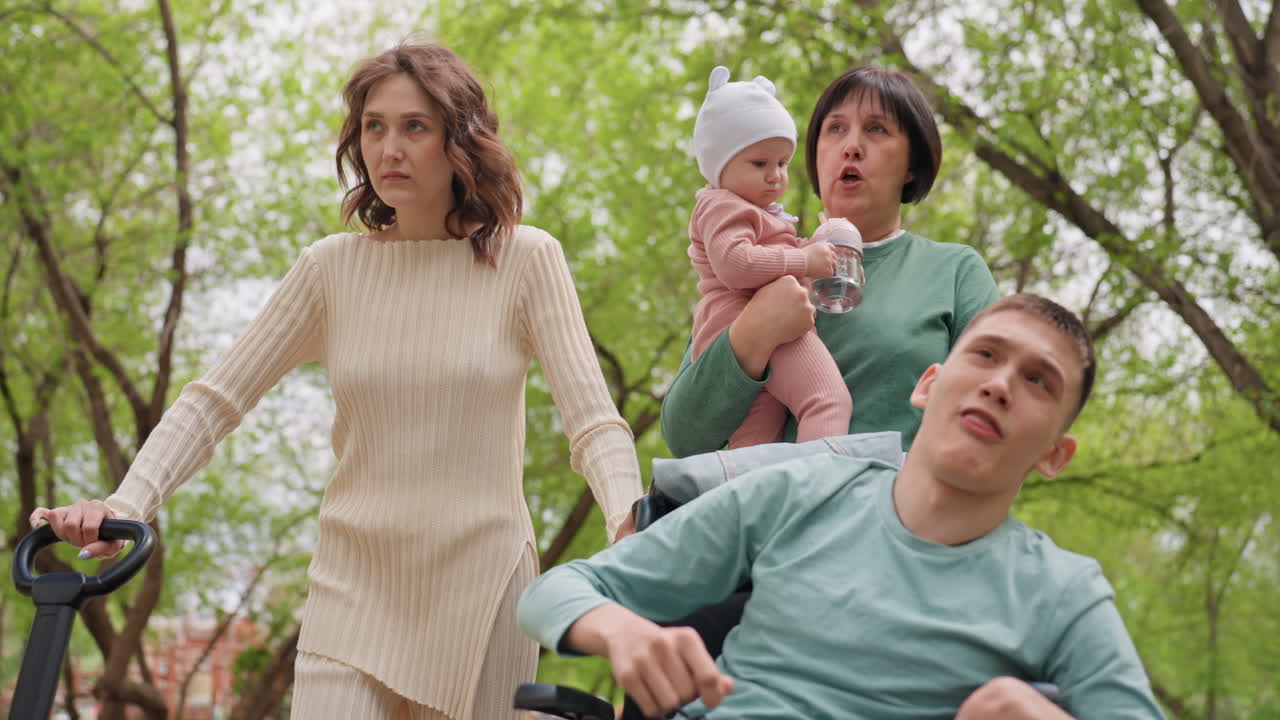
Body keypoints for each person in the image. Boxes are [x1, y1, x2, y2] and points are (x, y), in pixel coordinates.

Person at [30, 42, 643, 720]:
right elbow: (214, 402)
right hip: (354, 585)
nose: (390, 148)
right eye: (374, 127)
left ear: (460, 140)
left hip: (481, 582)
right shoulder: (331, 270)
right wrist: (126, 503)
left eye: (415, 126)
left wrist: (629, 520)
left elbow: (593, 422)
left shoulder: (526, 260)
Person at [518, 294, 1166, 720]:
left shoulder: (1063, 593)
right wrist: (621, 628)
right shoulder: (802, 489)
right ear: (928, 385)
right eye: (986, 356)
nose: (999, 385)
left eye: (1037, 381)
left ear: (1055, 454)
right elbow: (556, 590)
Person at [663, 66, 1002, 457]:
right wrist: (754, 332)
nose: (852, 146)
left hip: (895, 512)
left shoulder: (955, 271)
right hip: (776, 513)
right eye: (835, 129)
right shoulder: (759, 263)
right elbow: (683, 437)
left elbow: (994, 415)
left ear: (912, 163)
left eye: (877, 129)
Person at [686, 65, 850, 448]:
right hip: (749, 319)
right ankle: (820, 496)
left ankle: (756, 505)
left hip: (738, 329)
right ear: (719, 165)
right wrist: (805, 261)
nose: (775, 175)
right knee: (826, 401)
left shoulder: (752, 211)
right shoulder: (723, 205)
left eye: (781, 163)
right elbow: (737, 264)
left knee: (757, 443)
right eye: (760, 163)